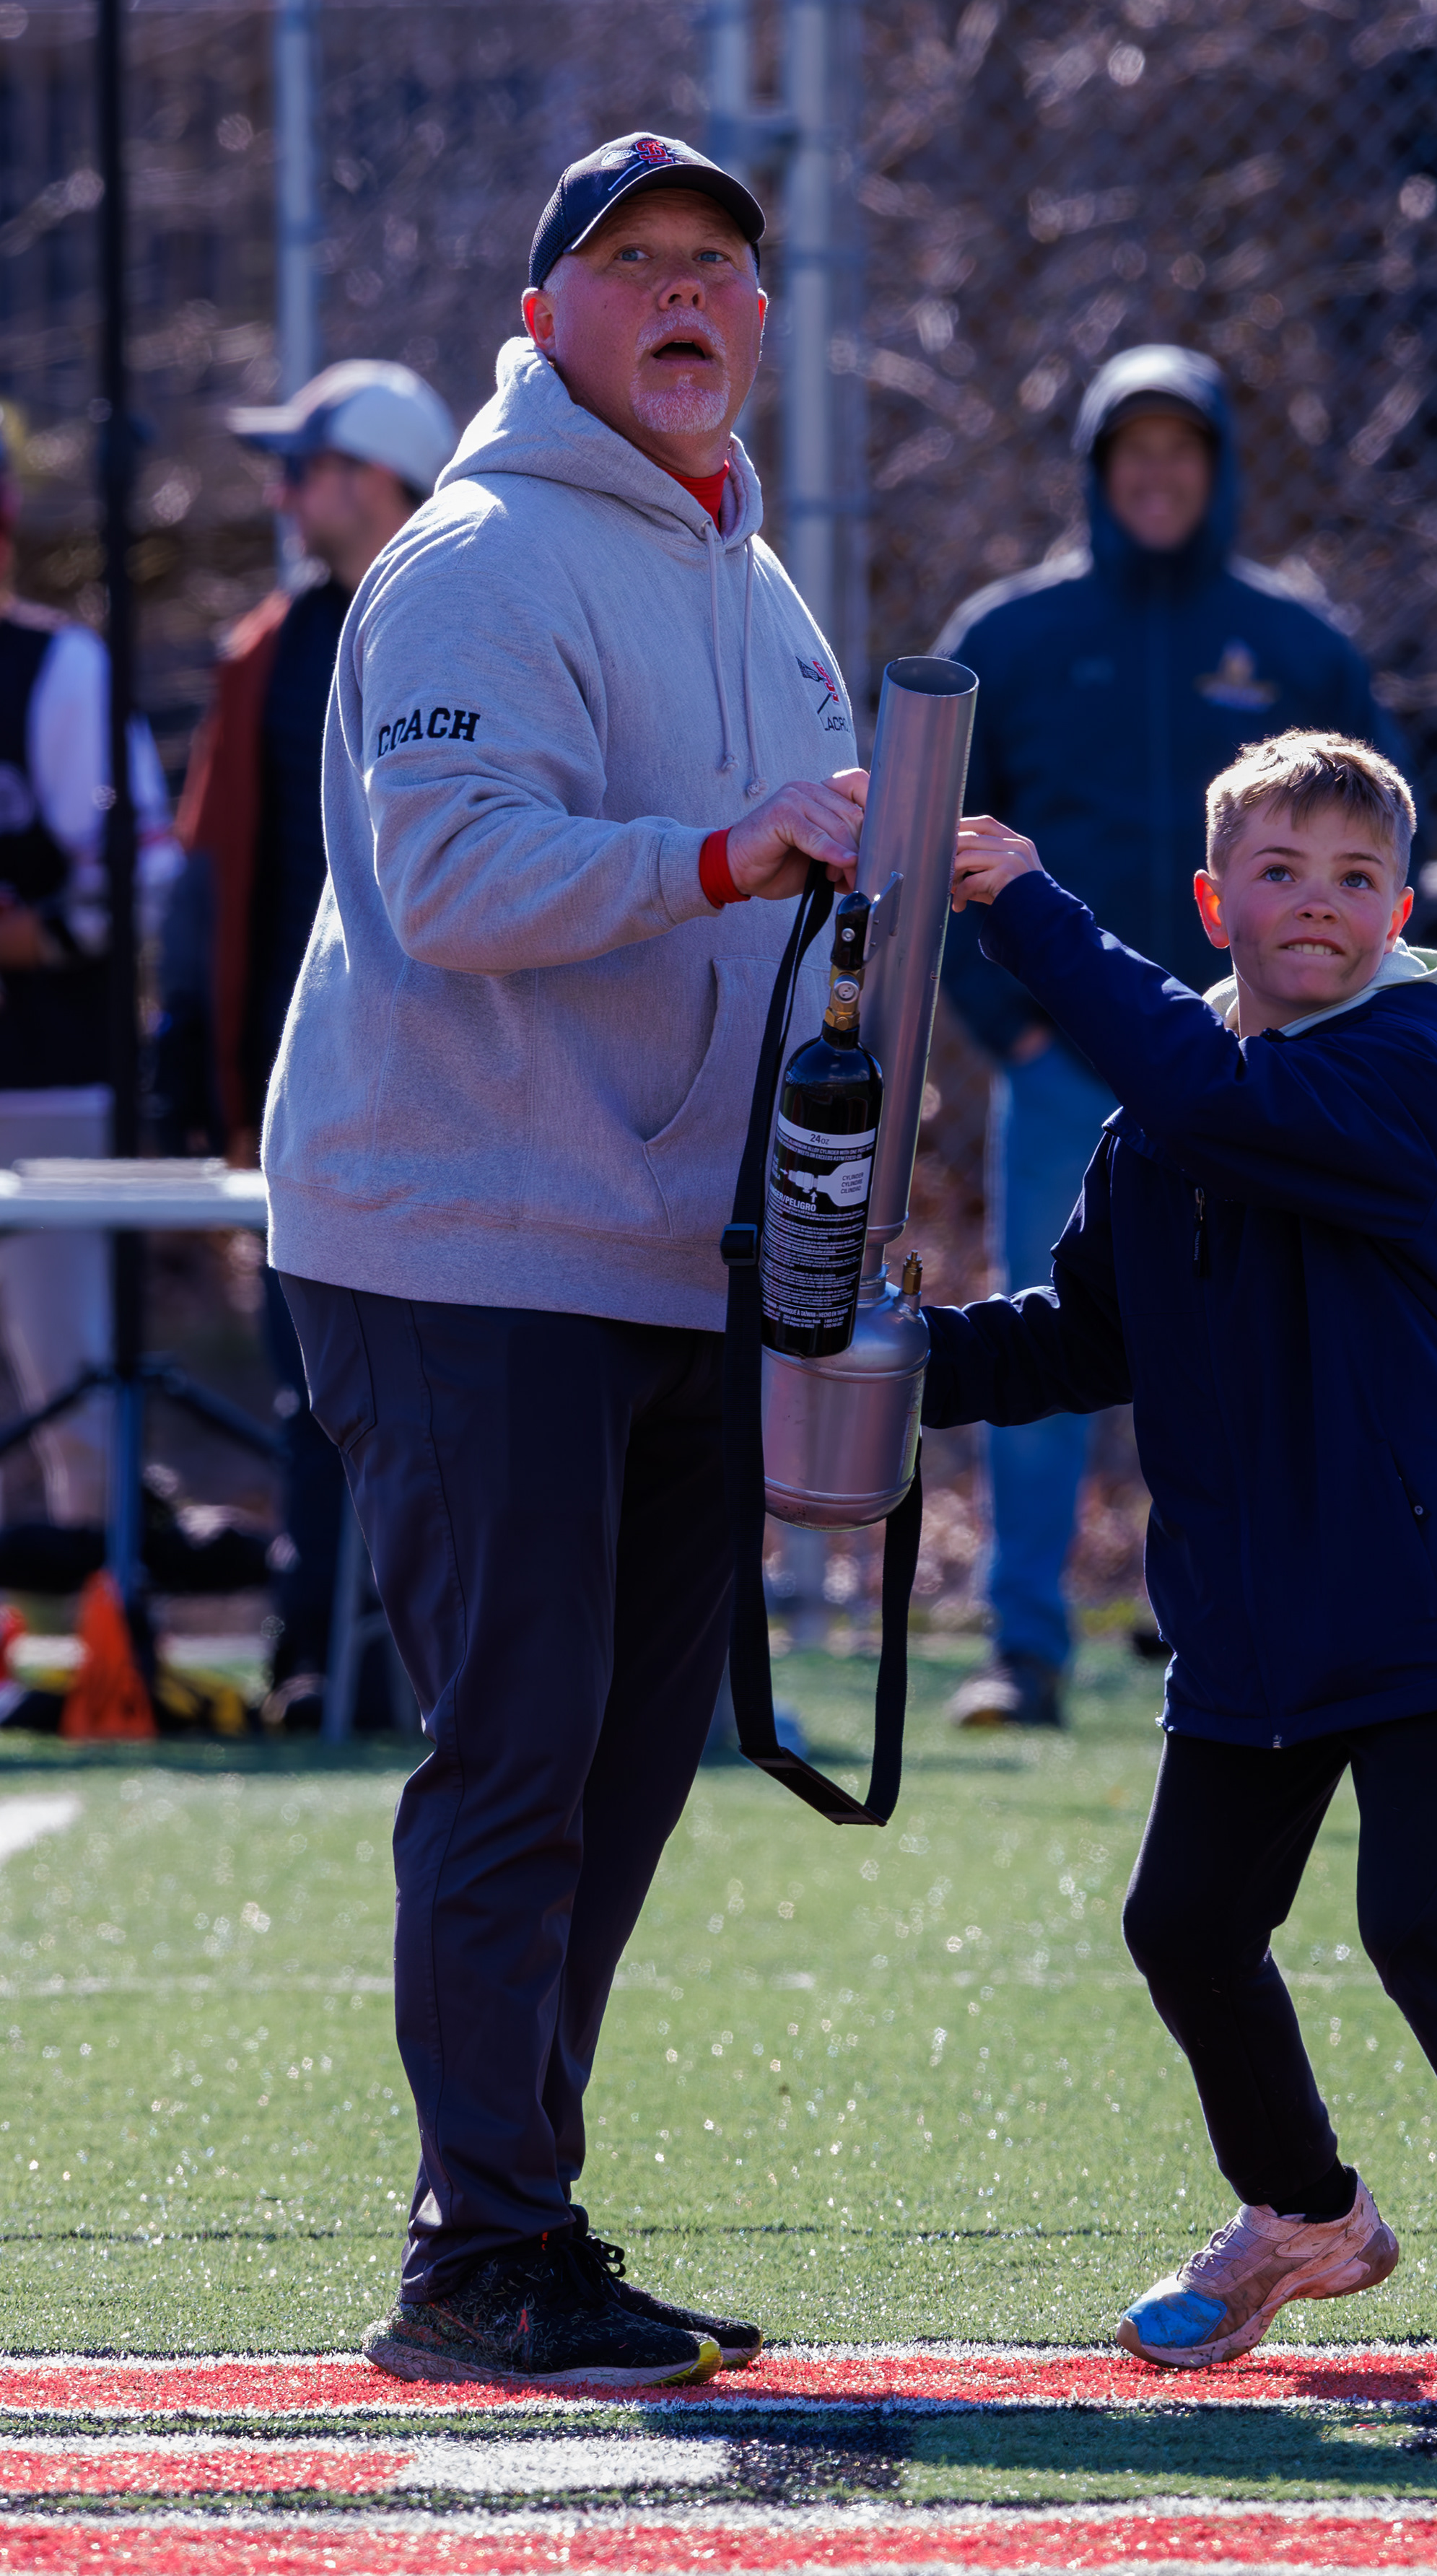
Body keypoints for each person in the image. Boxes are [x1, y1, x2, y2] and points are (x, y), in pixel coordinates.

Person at [265, 131, 871, 2391]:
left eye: (720, 262)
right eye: (636, 263)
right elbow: (453, 881)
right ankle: (481, 2253)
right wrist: (730, 852)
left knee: (617, 1770)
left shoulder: (762, 583)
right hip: (462, 1234)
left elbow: (788, 916)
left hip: (665, 1249)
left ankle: (522, 2222)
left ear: (764, 318)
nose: (687, 292)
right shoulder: (475, 555)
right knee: (521, 1749)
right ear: (544, 322)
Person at [927, 730, 1437, 2393]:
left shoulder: (1423, 1052)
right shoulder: (1166, 1106)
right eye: (1279, 872)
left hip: (1420, 1589)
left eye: (1354, 876)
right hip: (1250, 1616)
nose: (1319, 902)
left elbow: (1216, 1097)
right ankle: (1307, 2216)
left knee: (1426, 1922)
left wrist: (1031, 909)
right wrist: (884, 1361)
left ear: (1400, 908)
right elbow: (1081, 1336)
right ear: (1214, 905)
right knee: (1186, 1926)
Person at [930, 345, 1417, 1732]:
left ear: (1219, 470)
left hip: (1261, 1067)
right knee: (1047, 1330)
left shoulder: (1296, 642)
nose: (1156, 475)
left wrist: (1322, 1023)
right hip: (1067, 1062)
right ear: (1096, 475)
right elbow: (930, 838)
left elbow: (1384, 836)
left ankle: (1237, 1616)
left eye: (1180, 450)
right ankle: (1025, 1645)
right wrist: (1013, 1028)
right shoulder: (1013, 636)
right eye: (1131, 452)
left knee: (1261, 1337)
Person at [173, 360, 456, 1728]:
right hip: (314, 1092)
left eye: (306, 469)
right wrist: (205, 1069)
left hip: (463, 1085)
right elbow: (214, 879)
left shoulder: (470, 614)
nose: (284, 497)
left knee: (453, 1394)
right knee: (317, 1387)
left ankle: (438, 1666)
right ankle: (315, 1662)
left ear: (379, 480)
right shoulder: (267, 651)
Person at [0, 419, 181, 1529]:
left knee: (70, 1391)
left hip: (46, 1088)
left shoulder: (56, 669)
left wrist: (33, 935)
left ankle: (100, 1606)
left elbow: (140, 883)